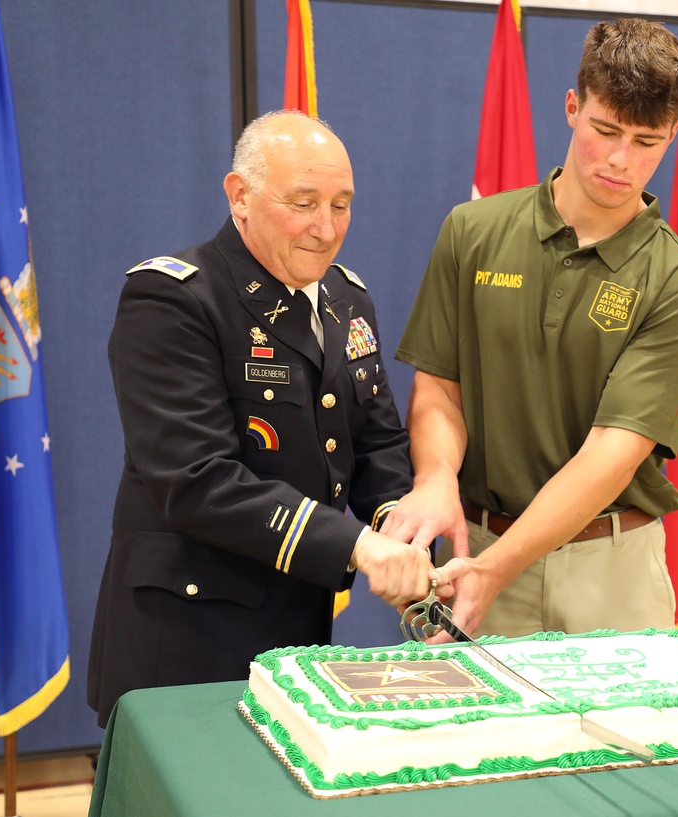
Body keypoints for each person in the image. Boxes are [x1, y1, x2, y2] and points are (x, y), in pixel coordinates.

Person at [88, 111, 437, 726]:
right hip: (187, 637)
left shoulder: (346, 299)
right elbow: (196, 481)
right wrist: (360, 546)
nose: (326, 230)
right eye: (304, 203)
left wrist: (409, 548)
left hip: (296, 629)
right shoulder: (173, 299)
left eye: (341, 205)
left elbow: (377, 447)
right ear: (239, 197)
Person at [383, 18, 678, 639]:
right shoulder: (472, 230)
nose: (620, 160)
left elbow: (609, 459)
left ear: (673, 134)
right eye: (605, 130)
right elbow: (439, 390)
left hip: (609, 570)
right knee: (479, 737)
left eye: (647, 142)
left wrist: (499, 568)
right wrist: (435, 479)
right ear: (572, 107)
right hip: (476, 545)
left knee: (625, 739)